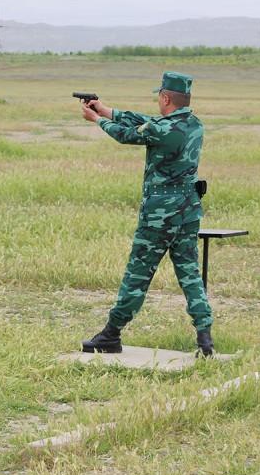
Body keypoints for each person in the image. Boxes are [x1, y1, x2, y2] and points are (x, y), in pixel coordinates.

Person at [80, 72, 215, 357]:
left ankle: (111, 334)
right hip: (187, 212)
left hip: (159, 216)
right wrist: (108, 110)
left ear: (166, 98)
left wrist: (99, 120)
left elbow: (129, 134)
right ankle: (204, 336)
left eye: (159, 96)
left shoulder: (162, 129)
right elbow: (146, 122)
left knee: (137, 274)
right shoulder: (194, 124)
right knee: (189, 273)